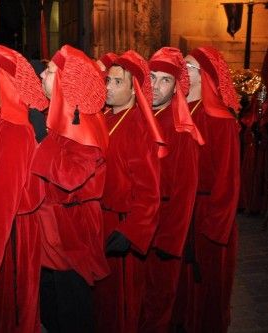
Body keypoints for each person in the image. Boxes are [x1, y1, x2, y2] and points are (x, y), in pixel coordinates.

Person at [0, 44, 48, 333]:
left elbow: (1, 202)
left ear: (3, 79)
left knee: (8, 317)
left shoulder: (12, 130)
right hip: (4, 236)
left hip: (10, 239)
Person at [32, 44, 110, 333]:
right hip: (55, 229)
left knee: (72, 310)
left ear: (68, 80)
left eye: (50, 72)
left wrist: (40, 141)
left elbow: (69, 178)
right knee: (53, 308)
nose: (42, 76)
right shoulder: (63, 117)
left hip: (73, 231)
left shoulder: (84, 123)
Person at [93, 50, 165, 333]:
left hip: (122, 226)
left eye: (116, 82)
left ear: (134, 88)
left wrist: (131, 231)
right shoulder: (106, 117)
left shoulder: (139, 126)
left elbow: (149, 191)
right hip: (101, 221)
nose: (108, 87)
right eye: (107, 81)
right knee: (102, 303)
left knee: (122, 308)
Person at [174, 46, 240, 333]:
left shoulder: (220, 119)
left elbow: (228, 181)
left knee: (206, 285)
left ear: (204, 76)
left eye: (187, 67)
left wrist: (214, 230)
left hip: (207, 217)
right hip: (182, 212)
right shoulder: (180, 111)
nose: (182, 73)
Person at [138, 47, 203, 333]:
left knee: (157, 303)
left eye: (165, 80)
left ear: (177, 86)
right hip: (135, 227)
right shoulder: (136, 115)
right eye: (151, 77)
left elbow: (185, 192)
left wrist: (169, 243)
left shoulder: (181, 129)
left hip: (163, 229)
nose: (155, 85)